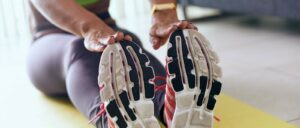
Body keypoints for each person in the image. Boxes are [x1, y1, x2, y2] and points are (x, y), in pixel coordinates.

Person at [27, 0, 222, 127]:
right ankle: (112, 119)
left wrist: (163, 13)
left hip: (107, 27)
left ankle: (169, 107)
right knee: (79, 48)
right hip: (49, 40)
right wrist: (90, 29)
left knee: (129, 46)